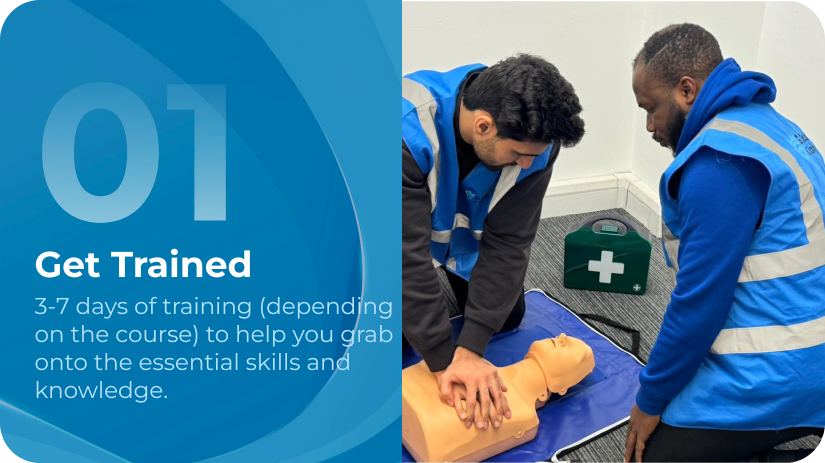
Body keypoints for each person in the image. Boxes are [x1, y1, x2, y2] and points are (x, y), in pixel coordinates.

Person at [625, 23, 825, 462]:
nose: (649, 126)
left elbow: (698, 305)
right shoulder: (770, 125)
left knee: (653, 456)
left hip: (785, 368)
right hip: (812, 344)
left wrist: (649, 400)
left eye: (651, 108)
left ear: (687, 90)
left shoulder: (720, 162)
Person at [402, 54, 585, 430]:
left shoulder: (536, 146)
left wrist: (469, 350)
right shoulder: (405, 132)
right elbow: (402, 257)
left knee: (502, 318)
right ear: (483, 126)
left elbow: (511, 243)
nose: (527, 165)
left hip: (453, 233)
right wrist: (441, 356)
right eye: (518, 154)